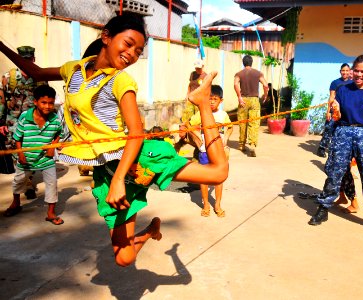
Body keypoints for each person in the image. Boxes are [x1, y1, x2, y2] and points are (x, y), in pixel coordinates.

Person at [0, 15, 228, 267]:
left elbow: (136, 132)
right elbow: (35, 72)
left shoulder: (121, 80)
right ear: (106, 37)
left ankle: (203, 101)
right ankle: (151, 230)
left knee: (218, 173)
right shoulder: (73, 69)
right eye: (128, 44)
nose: (132, 54)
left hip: (135, 159)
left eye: (138, 51)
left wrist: (120, 179)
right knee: (124, 258)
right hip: (106, 170)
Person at [308, 54, 363, 238]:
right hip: (344, 132)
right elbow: (337, 117)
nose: (358, 74)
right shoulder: (343, 89)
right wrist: (335, 110)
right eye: (356, 70)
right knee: (334, 172)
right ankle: (323, 209)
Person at [3, 85, 64, 224]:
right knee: (19, 181)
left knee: (52, 183)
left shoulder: (55, 119)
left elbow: (59, 133)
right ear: (35, 102)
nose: (48, 106)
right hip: (27, 157)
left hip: (46, 158)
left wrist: (52, 147)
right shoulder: (25, 117)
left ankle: (50, 213)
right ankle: (16, 203)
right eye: (44, 102)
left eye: (50, 102)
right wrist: (21, 154)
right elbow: (17, 137)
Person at [0, 45, 45, 199]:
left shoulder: (40, 77)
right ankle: (22, 184)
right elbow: (1, 101)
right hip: (12, 124)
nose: (27, 62)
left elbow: (47, 102)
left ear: (34, 59)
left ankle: (27, 182)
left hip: (33, 124)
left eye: (29, 59)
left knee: (31, 153)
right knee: (16, 155)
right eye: (23, 60)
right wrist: (1, 122)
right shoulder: (8, 77)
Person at [188, 85, 232, 217]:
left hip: (219, 152)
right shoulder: (201, 114)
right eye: (209, 99)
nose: (212, 102)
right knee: (204, 178)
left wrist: (226, 140)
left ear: (221, 100)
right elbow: (188, 125)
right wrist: (196, 138)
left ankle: (217, 204)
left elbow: (230, 127)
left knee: (219, 179)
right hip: (204, 151)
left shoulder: (223, 115)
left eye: (215, 99)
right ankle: (206, 204)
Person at [234, 55, 268, 157]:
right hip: (254, 100)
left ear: (243, 63)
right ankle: (252, 144)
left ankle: (241, 145)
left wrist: (239, 97)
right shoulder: (258, 73)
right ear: (251, 62)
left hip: (243, 100)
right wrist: (265, 95)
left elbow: (235, 84)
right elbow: (265, 85)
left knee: (242, 122)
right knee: (254, 122)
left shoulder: (239, 74)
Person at [317, 63, 352, 158]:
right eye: (343, 70)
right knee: (329, 128)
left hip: (346, 112)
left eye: (347, 70)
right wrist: (328, 111)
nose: (345, 72)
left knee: (342, 131)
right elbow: (331, 97)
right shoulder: (335, 83)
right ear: (340, 71)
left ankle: (337, 150)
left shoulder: (352, 83)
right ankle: (322, 148)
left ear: (350, 72)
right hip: (335, 110)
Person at [173, 59, 207, 155]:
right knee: (185, 121)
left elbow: (206, 90)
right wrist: (187, 95)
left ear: (203, 66)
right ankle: (179, 142)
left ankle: (197, 144)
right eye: (196, 67)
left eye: (199, 68)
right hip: (190, 101)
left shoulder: (206, 76)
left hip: (199, 102)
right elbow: (190, 85)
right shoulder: (193, 74)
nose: (197, 69)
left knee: (196, 123)